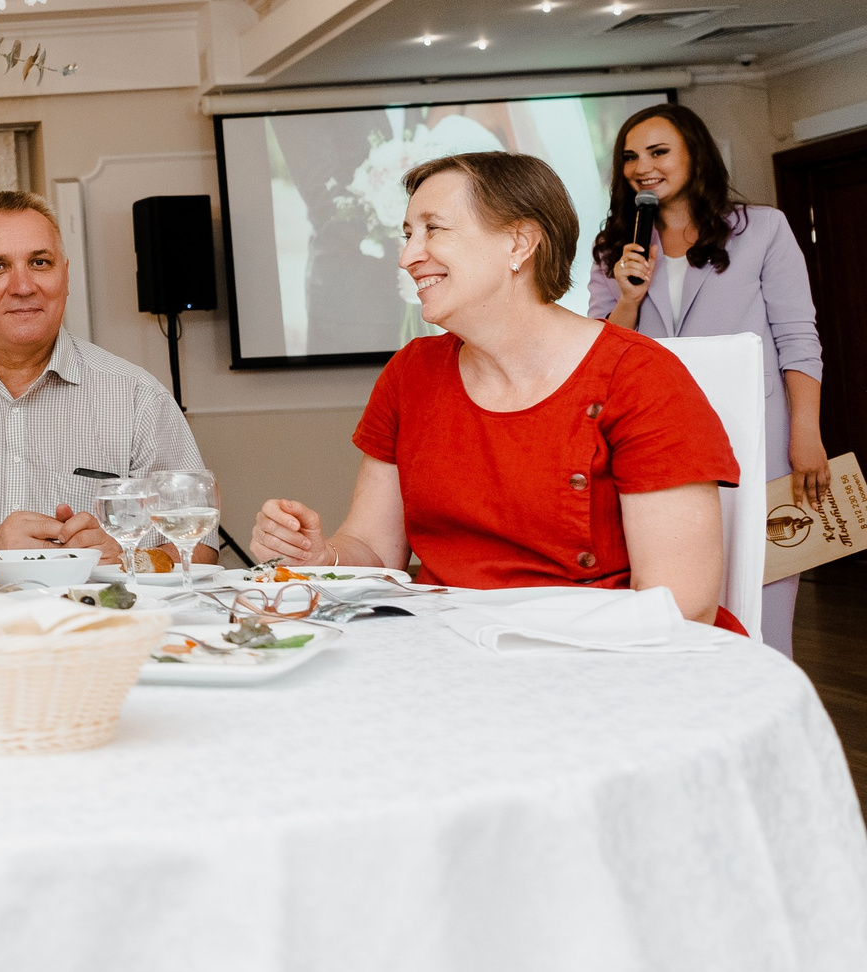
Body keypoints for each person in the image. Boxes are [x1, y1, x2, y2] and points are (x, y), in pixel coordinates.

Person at [254, 152, 740, 625]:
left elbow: (680, 603)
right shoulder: (411, 374)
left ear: (519, 243)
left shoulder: (640, 377)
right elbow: (377, 551)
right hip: (454, 650)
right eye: (406, 235)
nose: (406, 257)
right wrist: (320, 556)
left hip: (599, 659)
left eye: (433, 229)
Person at [585, 103, 823, 649]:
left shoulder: (762, 229)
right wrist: (628, 298)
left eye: (658, 151)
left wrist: (805, 435)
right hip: (660, 441)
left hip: (756, 435)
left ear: (696, 153)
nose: (642, 166)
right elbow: (601, 353)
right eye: (629, 157)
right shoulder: (614, 250)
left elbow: (797, 339)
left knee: (765, 590)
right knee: (677, 591)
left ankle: (766, 710)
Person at [0, 191, 206, 566]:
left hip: (97, 618)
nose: (23, 286)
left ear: (65, 275)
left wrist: (127, 558)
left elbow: (199, 545)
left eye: (40, 262)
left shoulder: (138, 397)